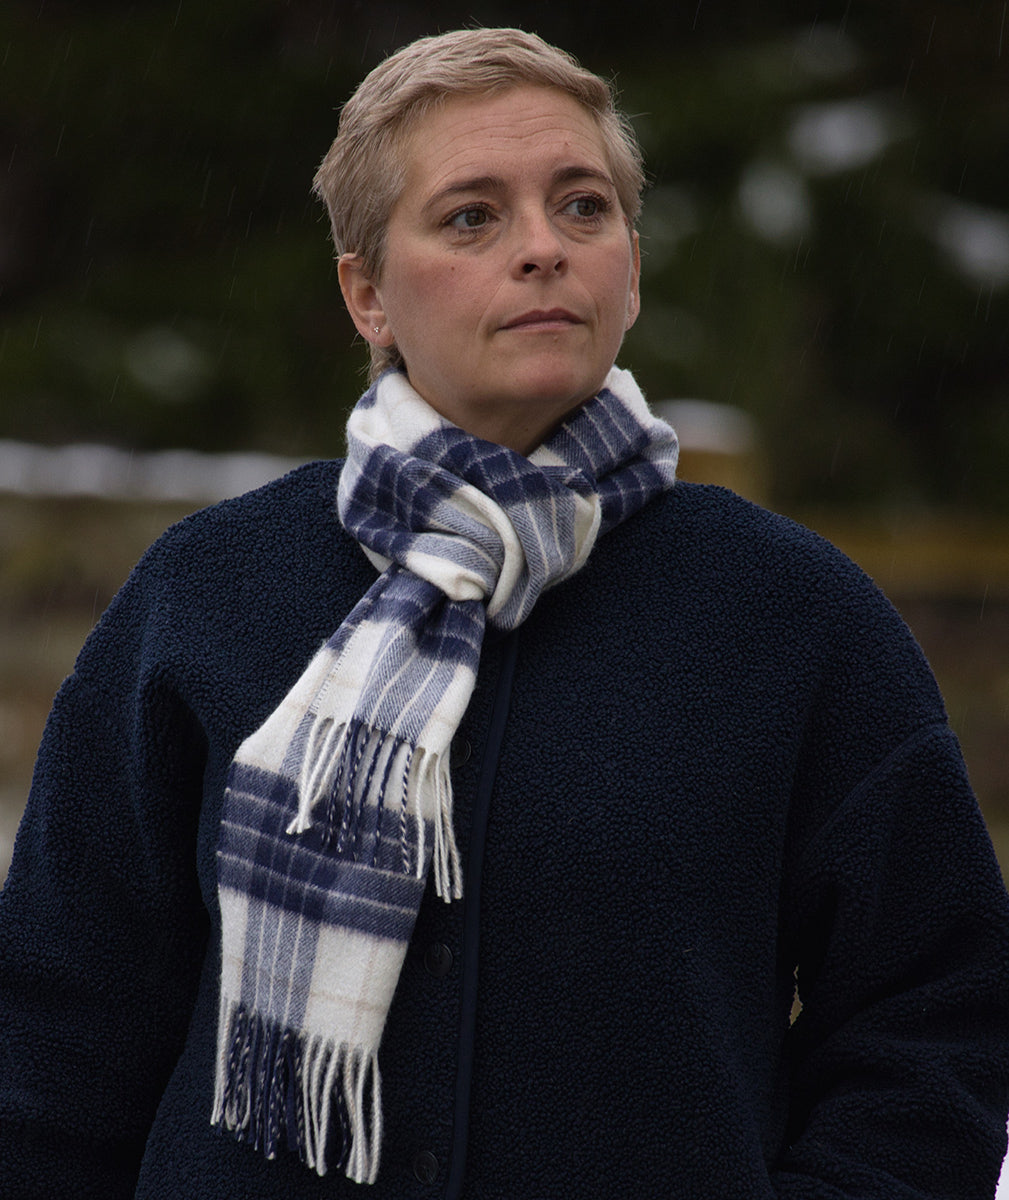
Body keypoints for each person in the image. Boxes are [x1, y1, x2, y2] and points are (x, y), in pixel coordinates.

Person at [1, 26, 1007, 1200]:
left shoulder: (793, 617)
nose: (542, 249)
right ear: (366, 290)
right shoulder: (207, 595)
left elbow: (932, 1014)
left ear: (630, 263)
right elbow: (59, 1029)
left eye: (582, 207)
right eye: (473, 216)